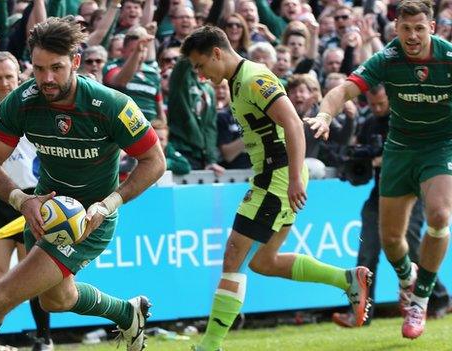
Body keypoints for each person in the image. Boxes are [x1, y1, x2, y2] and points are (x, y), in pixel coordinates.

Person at [0, 16, 166, 351]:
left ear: (76, 62)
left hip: (90, 221)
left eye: (57, 68)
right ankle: (126, 312)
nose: (47, 78)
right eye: (38, 68)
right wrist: (22, 199)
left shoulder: (110, 105)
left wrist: (110, 204)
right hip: (45, 212)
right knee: (56, 300)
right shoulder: (21, 102)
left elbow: (155, 162)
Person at [179, 26, 372, 351]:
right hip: (272, 176)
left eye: (200, 65)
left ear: (216, 53)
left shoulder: (253, 78)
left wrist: (295, 176)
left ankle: (209, 346)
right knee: (263, 262)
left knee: (233, 257)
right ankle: (346, 279)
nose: (200, 73)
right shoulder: (238, 81)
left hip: (277, 177)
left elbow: (294, 123)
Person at [305, 0, 452, 339]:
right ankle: (405, 279)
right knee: (390, 239)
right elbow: (343, 89)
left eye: (419, 28)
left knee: (441, 216)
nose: (412, 35)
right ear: (396, 29)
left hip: (440, 147)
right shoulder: (387, 58)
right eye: (405, 29)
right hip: (399, 150)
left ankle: (420, 299)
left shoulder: (447, 57)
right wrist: (325, 115)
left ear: (431, 28)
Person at [332, 85, 451, 327]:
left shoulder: (405, 118)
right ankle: (360, 312)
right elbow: (362, 163)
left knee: (413, 248)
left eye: (381, 104)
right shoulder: (368, 124)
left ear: (390, 98)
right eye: (372, 104)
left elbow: (415, 152)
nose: (377, 109)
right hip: (379, 195)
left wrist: (383, 158)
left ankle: (439, 298)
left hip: (411, 193)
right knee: (367, 253)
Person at [0, 51, 53, 351]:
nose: (4, 83)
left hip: (34, 199)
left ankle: (44, 338)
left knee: (30, 275)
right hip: (1, 200)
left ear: (20, 75)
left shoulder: (38, 109)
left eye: (8, 76)